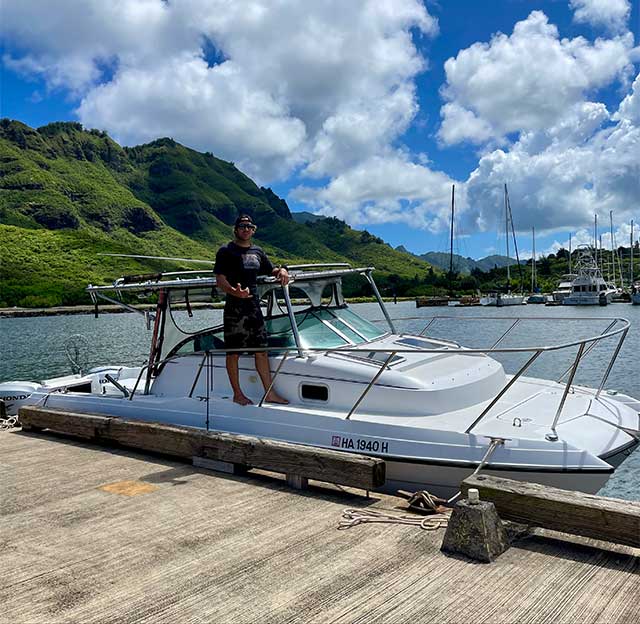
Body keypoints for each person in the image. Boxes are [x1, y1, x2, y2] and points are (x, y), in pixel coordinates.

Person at [214, 215, 290, 406]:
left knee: (261, 351)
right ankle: (237, 394)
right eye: (242, 226)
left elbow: (270, 269)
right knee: (233, 352)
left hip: (254, 307)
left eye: (249, 226)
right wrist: (234, 292)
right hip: (234, 308)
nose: (246, 229)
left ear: (253, 230)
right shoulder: (226, 251)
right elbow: (220, 279)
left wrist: (282, 271)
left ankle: (269, 393)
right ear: (236, 229)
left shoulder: (258, 251)